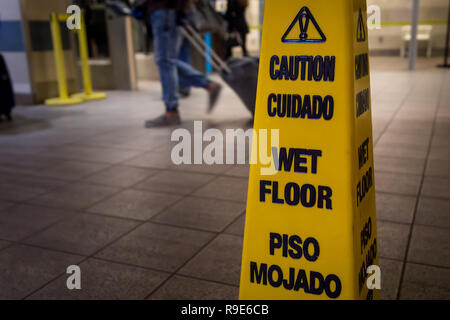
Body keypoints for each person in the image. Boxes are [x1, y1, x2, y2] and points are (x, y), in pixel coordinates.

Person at [145, 0, 222, 128]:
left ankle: (171, 112)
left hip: (167, 10)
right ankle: (208, 85)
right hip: (168, 10)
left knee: (166, 61)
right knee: (167, 61)